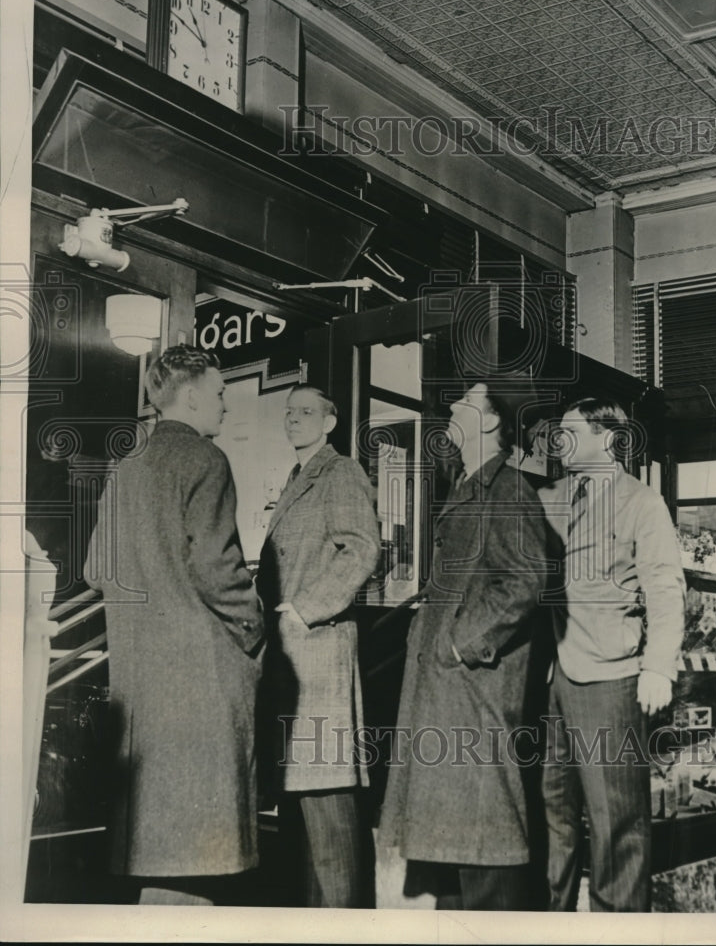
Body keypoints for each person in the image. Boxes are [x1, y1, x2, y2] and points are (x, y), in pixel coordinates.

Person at [84, 345, 264, 906]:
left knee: (163, 855)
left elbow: (95, 568)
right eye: (218, 393)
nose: (224, 406)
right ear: (190, 396)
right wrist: (254, 631)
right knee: (199, 858)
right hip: (200, 684)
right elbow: (218, 571)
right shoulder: (205, 461)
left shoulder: (129, 467)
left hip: (142, 688)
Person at [378, 381, 549, 911]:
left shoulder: (508, 490)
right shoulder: (470, 485)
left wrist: (459, 643)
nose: (452, 407)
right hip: (453, 696)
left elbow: (524, 580)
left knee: (484, 852)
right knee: (456, 858)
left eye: (467, 401)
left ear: (493, 422)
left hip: (473, 695)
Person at [537, 397, 685, 912]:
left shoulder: (641, 502)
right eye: (559, 432)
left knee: (616, 826)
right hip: (553, 677)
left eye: (571, 431)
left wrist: (658, 667)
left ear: (607, 437)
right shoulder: (550, 497)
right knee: (553, 820)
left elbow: (665, 588)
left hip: (610, 679)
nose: (561, 441)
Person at [257, 384, 380, 908]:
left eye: (307, 412)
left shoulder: (341, 471)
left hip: (318, 650)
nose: (294, 420)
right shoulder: (297, 478)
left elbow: (362, 549)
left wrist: (304, 608)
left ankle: (348, 925)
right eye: (289, 413)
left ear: (330, 422)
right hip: (294, 658)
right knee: (302, 810)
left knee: (327, 806)